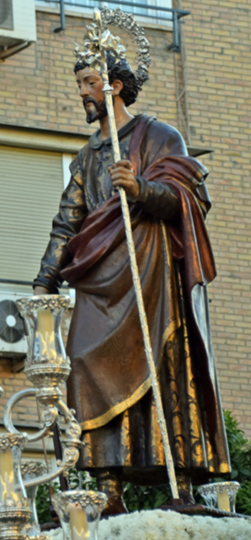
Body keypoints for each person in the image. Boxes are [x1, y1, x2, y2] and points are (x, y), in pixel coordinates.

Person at [33, 52, 230, 513]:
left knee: (164, 365)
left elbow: (190, 199)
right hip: (100, 280)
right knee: (83, 362)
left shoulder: (159, 136)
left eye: (88, 82)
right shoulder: (87, 157)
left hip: (150, 274)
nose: (81, 92)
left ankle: (179, 485)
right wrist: (45, 279)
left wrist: (140, 188)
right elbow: (68, 222)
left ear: (114, 86)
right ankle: (109, 489)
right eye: (80, 83)